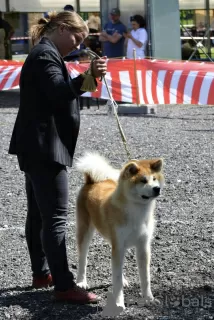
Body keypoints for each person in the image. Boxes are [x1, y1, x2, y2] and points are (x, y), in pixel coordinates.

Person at [8, 10, 107, 304]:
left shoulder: (47, 54)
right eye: (78, 37)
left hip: (36, 145)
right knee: (55, 218)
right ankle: (64, 287)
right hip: (45, 148)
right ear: (62, 28)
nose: (78, 44)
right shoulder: (44, 56)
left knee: (39, 214)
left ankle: (42, 273)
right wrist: (85, 78)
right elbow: (58, 93)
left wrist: (91, 77)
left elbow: (64, 91)